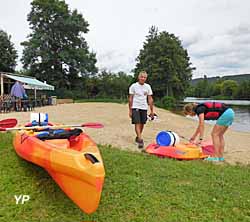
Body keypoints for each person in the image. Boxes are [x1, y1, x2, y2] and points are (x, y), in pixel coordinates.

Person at [128, 71, 154, 149]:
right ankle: (140, 139)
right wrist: (130, 110)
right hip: (135, 107)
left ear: (146, 78)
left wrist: (152, 111)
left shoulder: (148, 87)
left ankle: (138, 136)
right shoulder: (133, 86)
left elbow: (150, 99)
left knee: (142, 123)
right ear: (139, 77)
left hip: (144, 107)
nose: (143, 78)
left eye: (145, 77)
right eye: (142, 77)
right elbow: (130, 99)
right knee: (137, 123)